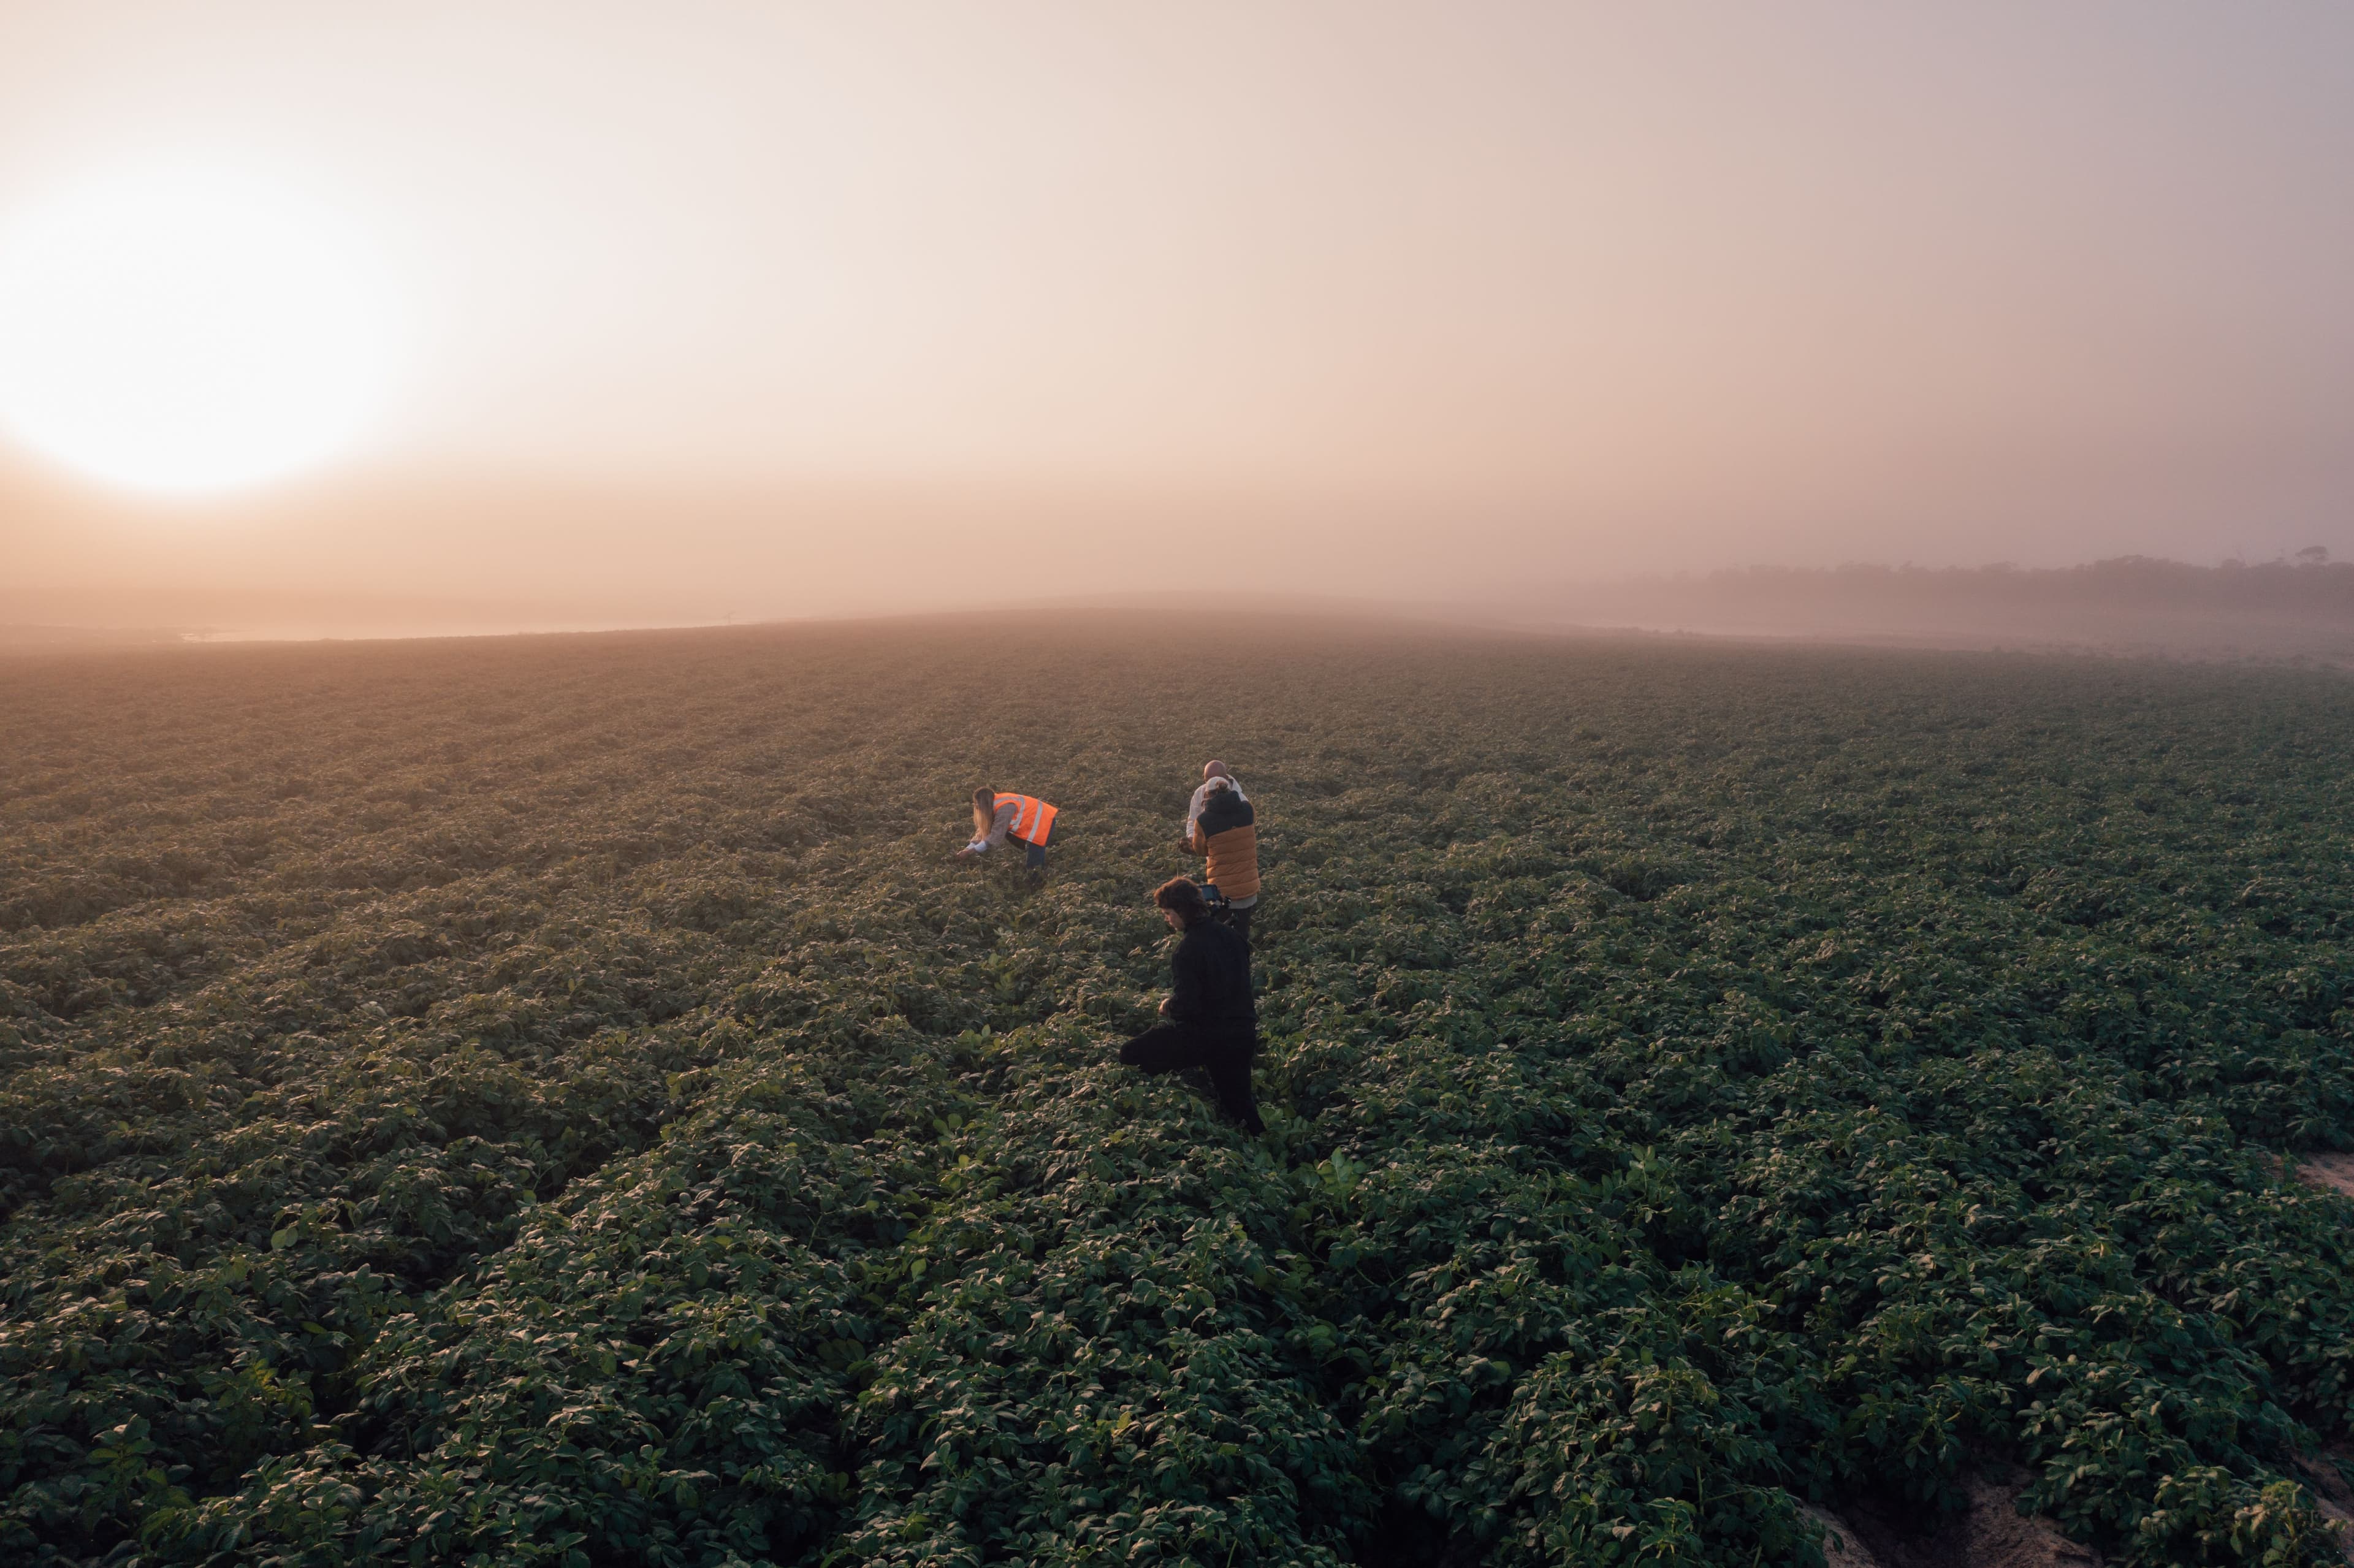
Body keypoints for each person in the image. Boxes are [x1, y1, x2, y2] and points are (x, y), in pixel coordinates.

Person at [1118, 877, 1264, 1133]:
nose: (1167, 919)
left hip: (1210, 1038)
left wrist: (1168, 1006)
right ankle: (1268, 1149)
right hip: (1244, 1033)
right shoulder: (1232, 936)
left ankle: (1162, 1115)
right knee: (1241, 1106)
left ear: (1183, 912)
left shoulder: (1186, 950)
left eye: (1168, 913)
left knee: (1131, 1054)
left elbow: (1189, 1007)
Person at [1183, 759, 1260, 945]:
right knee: (1242, 934)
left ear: (1209, 797)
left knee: (1223, 936)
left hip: (1223, 889)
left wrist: (1193, 845)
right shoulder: (1247, 808)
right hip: (1249, 886)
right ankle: (1243, 966)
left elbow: (1201, 850)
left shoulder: (1205, 820)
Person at [956, 788, 1057, 869]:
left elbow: (993, 838)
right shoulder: (993, 804)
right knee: (1033, 852)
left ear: (983, 804)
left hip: (1043, 820)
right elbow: (982, 833)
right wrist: (966, 849)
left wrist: (970, 852)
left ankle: (1037, 882)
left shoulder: (1004, 809)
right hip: (1033, 821)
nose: (977, 809)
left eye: (978, 806)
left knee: (1034, 863)